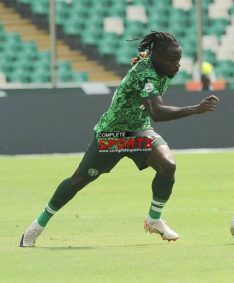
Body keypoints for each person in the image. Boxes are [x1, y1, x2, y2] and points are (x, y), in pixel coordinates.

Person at [20, 31, 219, 247]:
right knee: (78, 181)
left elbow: (148, 92)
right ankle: (37, 226)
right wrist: (195, 109)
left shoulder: (156, 65)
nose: (178, 65)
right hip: (112, 136)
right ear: (157, 58)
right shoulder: (146, 74)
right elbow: (158, 112)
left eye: (179, 59)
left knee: (167, 165)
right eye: (173, 60)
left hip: (138, 131)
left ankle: (154, 220)